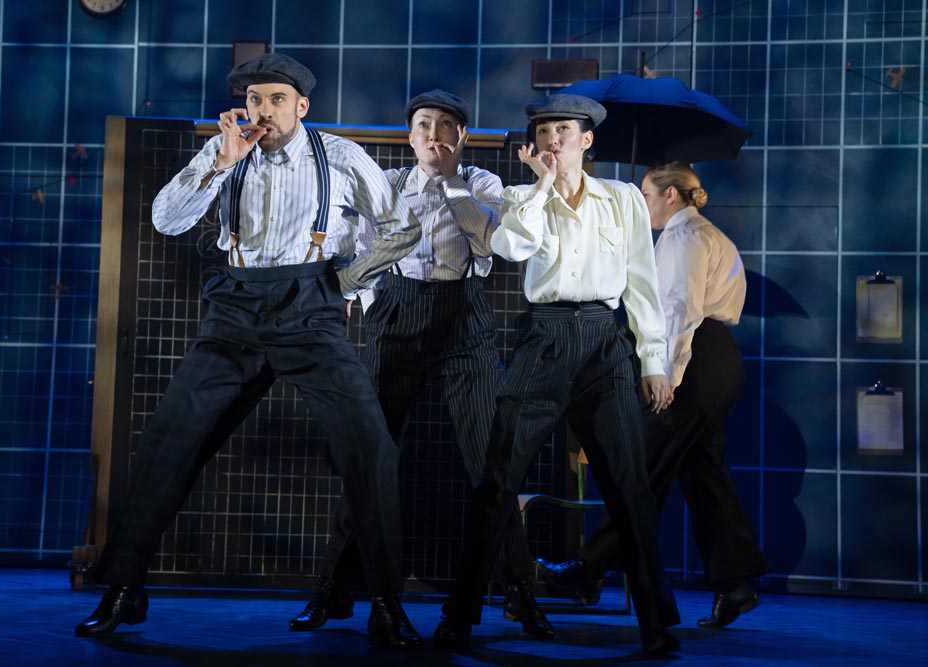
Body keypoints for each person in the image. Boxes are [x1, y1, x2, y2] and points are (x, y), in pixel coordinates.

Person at [74, 53, 426, 651]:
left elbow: (403, 226)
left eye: (277, 100)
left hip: (309, 309)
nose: (265, 111)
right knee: (167, 441)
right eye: (257, 100)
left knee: (370, 446)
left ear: (302, 106)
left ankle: (388, 603)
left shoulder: (338, 157)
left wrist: (345, 283)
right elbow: (165, 221)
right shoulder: (226, 150)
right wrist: (215, 164)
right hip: (234, 309)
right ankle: (124, 589)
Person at [288, 89, 554, 640]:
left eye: (448, 127)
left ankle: (520, 593)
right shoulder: (383, 186)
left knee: (491, 461)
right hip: (398, 314)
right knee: (373, 457)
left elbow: (489, 238)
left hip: (464, 316)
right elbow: (357, 253)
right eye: (425, 125)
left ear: (462, 137)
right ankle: (333, 590)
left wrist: (450, 181)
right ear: (411, 135)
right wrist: (373, 306)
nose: (435, 135)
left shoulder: (482, 184)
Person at [431, 94, 681, 657]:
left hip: (604, 342)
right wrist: (541, 188)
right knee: (498, 482)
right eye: (544, 133)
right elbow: (510, 246)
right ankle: (461, 614)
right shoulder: (523, 196)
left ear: (586, 140)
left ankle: (656, 623)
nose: (553, 141)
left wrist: (654, 360)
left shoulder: (621, 199)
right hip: (543, 340)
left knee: (629, 488)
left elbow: (641, 281)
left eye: (563, 131)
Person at [538, 161, 769, 629]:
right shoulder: (710, 235)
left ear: (671, 195)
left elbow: (679, 312)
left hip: (695, 359)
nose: (641, 204)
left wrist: (665, 374)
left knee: (641, 467)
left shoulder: (684, 239)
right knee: (703, 471)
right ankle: (736, 581)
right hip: (718, 358)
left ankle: (590, 568)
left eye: (646, 194)